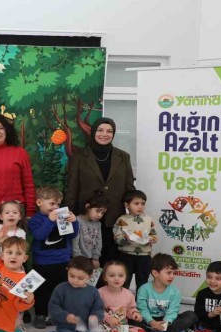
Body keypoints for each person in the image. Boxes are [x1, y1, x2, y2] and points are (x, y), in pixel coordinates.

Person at [65, 117, 135, 264]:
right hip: (86, 220)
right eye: (100, 130)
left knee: (111, 263)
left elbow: (129, 188)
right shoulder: (79, 157)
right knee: (87, 264)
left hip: (113, 219)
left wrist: (134, 216)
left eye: (109, 131)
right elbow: (72, 188)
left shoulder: (123, 157)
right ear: (93, 132)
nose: (104, 134)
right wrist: (67, 215)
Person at [28, 186, 79, 329]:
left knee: (61, 289)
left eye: (58, 204)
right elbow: (39, 235)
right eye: (52, 203)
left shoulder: (62, 216)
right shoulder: (35, 220)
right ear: (39, 203)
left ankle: (59, 315)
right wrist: (50, 221)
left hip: (62, 260)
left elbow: (72, 235)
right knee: (41, 290)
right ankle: (40, 314)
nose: (56, 207)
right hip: (42, 262)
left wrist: (74, 222)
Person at [46, 257, 104, 332]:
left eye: (80, 278)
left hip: (84, 327)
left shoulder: (93, 291)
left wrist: (95, 316)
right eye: (71, 276)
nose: (75, 280)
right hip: (65, 327)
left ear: (90, 276)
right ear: (67, 271)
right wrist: (65, 316)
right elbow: (53, 307)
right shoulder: (61, 288)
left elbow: (98, 308)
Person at [136, 253, 198, 332]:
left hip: (167, 321)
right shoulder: (143, 289)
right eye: (168, 273)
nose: (172, 276)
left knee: (191, 315)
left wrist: (166, 324)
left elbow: (173, 311)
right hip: (149, 320)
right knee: (133, 319)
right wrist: (152, 323)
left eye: (173, 273)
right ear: (155, 273)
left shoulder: (175, 292)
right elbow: (142, 310)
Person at [113, 190, 158, 293]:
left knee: (142, 282)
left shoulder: (149, 219)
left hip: (144, 256)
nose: (140, 206)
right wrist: (125, 238)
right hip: (126, 255)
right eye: (136, 203)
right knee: (124, 281)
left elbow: (154, 235)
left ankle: (140, 302)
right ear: (127, 205)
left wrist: (151, 239)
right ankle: (123, 301)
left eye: (143, 204)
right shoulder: (122, 219)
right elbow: (117, 238)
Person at [97, 260, 146, 332]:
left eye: (120, 275)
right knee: (94, 329)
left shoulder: (128, 294)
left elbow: (131, 308)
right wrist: (107, 318)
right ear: (105, 277)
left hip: (121, 327)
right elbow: (96, 309)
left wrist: (135, 314)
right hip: (104, 326)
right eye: (112, 275)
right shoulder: (99, 292)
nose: (116, 278)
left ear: (125, 277)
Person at [72, 192, 109, 271]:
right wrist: (78, 259)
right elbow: (74, 242)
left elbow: (99, 242)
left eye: (102, 213)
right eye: (97, 211)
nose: (100, 215)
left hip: (91, 259)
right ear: (88, 207)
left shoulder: (98, 224)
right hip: (78, 259)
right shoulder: (77, 221)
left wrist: (96, 258)